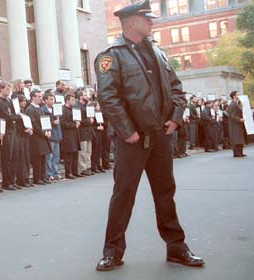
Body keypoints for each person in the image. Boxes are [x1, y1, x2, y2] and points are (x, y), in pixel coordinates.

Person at [94, 0, 204, 271]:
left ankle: (177, 248)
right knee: (123, 195)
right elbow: (108, 97)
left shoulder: (158, 52)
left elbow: (177, 89)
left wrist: (176, 119)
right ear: (132, 22)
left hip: (160, 137)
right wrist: (126, 130)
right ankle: (113, 251)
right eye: (147, 19)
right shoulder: (111, 56)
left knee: (165, 193)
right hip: (132, 139)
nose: (152, 22)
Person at [0, 82, 21, 190]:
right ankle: (7, 181)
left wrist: (15, 116)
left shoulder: (9, 100)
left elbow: (13, 114)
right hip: (5, 131)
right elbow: (6, 116)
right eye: (7, 88)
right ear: (1, 89)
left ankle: (12, 180)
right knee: (7, 157)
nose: (9, 91)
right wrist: (16, 117)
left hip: (13, 130)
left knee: (15, 156)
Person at [25, 89, 52, 185]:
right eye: (39, 97)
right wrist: (43, 133)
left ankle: (42, 175)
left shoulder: (40, 108)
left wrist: (48, 131)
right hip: (36, 138)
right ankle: (37, 178)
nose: (41, 98)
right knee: (37, 158)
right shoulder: (30, 109)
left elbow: (45, 121)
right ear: (33, 97)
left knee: (43, 157)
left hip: (43, 136)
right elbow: (34, 125)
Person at [60, 93, 81, 179]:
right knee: (68, 155)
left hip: (75, 134)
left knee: (75, 154)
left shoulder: (74, 109)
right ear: (67, 100)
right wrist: (73, 125)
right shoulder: (63, 110)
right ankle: (68, 172)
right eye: (72, 100)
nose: (74, 102)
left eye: (74, 100)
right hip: (67, 135)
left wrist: (78, 122)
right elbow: (63, 123)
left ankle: (75, 171)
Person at [43, 90, 62, 181]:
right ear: (45, 100)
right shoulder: (43, 110)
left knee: (56, 156)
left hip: (56, 135)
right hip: (50, 135)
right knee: (49, 157)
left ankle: (55, 173)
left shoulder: (56, 109)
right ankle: (49, 173)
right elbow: (44, 122)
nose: (52, 101)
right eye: (50, 99)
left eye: (53, 99)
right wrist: (52, 122)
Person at [15, 95, 33, 187]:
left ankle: (26, 178)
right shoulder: (17, 113)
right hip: (20, 136)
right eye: (22, 101)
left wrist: (30, 129)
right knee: (21, 159)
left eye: (25, 101)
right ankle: (22, 179)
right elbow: (17, 127)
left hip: (26, 136)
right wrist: (24, 130)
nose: (24, 103)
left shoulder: (24, 111)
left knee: (26, 158)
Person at [76, 88, 95, 176]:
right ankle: (83, 168)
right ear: (80, 97)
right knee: (83, 151)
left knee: (88, 151)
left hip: (88, 131)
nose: (87, 96)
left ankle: (88, 166)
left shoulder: (87, 105)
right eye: (85, 95)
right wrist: (89, 121)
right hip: (82, 131)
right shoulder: (78, 106)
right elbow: (80, 120)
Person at [227, 91, 246, 157]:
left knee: (239, 138)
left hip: (238, 124)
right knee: (236, 138)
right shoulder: (232, 105)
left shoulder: (236, 104)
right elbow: (232, 115)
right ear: (234, 96)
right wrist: (239, 119)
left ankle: (240, 152)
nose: (239, 96)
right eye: (237, 95)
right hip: (235, 125)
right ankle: (237, 153)